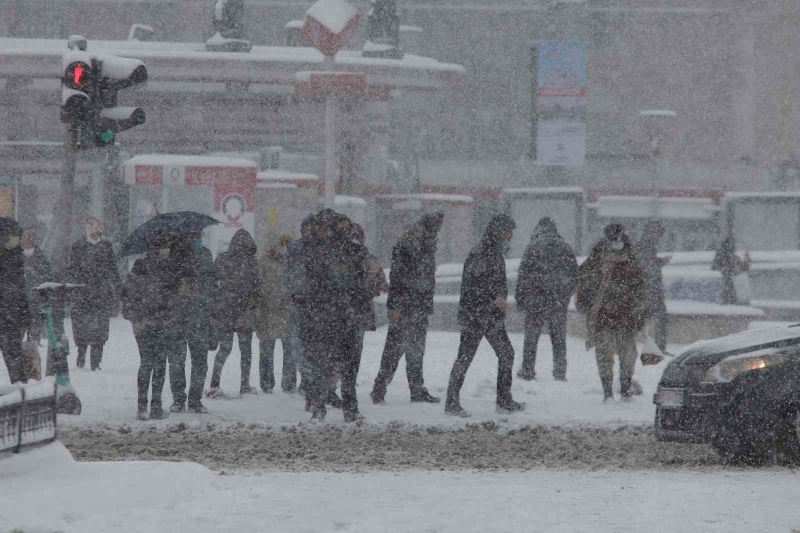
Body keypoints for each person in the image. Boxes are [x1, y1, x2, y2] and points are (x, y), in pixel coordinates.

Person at [445, 214, 524, 417]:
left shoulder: (492, 252)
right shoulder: (482, 253)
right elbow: (474, 287)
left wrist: (499, 298)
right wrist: (494, 298)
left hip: (488, 316)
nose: (511, 237)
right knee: (467, 357)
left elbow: (493, 282)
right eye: (508, 233)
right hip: (477, 316)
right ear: (499, 232)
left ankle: (502, 399)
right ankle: (453, 402)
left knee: (503, 353)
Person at [302, 210, 371, 422]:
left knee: (345, 367)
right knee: (328, 366)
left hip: (342, 316)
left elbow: (361, 285)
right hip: (331, 316)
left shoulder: (353, 252)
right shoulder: (321, 253)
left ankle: (342, 408)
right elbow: (313, 286)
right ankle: (322, 407)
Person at [371, 212, 442, 404]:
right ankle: (379, 388)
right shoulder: (408, 244)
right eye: (436, 227)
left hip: (418, 305)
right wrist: (394, 304)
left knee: (416, 350)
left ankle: (416, 389)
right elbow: (398, 276)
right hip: (406, 305)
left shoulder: (426, 241)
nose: (438, 232)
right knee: (395, 349)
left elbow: (425, 276)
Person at [576, 223, 647, 402]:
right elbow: (583, 283)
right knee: (606, 355)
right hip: (605, 317)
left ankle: (624, 390)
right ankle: (608, 392)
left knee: (627, 356)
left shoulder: (631, 260)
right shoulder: (596, 259)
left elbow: (640, 289)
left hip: (625, 317)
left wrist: (639, 313)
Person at [122, 233, 181, 420]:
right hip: (162, 322)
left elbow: (129, 296)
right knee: (159, 364)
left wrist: (134, 320)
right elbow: (174, 298)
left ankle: (142, 407)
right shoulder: (169, 268)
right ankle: (156, 405)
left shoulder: (139, 267)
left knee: (146, 363)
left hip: (144, 324)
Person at [515, 217, 577, 381]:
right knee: (558, 337)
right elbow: (574, 276)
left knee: (531, 337)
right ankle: (560, 370)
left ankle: (528, 369)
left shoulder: (532, 247)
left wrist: (521, 298)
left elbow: (523, 275)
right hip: (557, 301)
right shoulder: (565, 247)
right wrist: (564, 296)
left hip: (535, 300)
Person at [208, 229, 261, 398]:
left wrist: (219, 299)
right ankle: (244, 385)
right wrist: (253, 304)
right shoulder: (252, 263)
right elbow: (257, 288)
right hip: (243, 312)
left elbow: (211, 283)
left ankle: (214, 385)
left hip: (225, 312)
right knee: (245, 352)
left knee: (225, 349)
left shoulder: (222, 259)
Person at [168, 232, 217, 414]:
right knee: (176, 361)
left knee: (199, 361)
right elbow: (167, 283)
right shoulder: (174, 255)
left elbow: (212, 283)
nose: (195, 239)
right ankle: (178, 399)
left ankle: (195, 400)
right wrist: (179, 287)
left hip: (199, 315)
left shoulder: (205, 254)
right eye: (192, 236)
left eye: (197, 236)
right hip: (178, 316)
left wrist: (200, 290)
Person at [67, 217, 121, 371]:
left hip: (101, 293)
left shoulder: (106, 246)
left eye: (96, 227)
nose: (93, 230)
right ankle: (81, 354)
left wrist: (116, 289)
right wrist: (77, 285)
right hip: (83, 294)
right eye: (90, 227)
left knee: (101, 329)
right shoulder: (78, 246)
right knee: (82, 327)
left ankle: (96, 361)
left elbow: (113, 269)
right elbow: (72, 270)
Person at [254, 231, 297, 394]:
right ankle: (266, 383)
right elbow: (258, 285)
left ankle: (289, 383)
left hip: (288, 313)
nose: (284, 248)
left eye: (287, 244)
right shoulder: (265, 262)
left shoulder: (294, 262)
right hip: (268, 312)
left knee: (290, 351)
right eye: (282, 244)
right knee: (267, 350)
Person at [0, 218, 31, 384]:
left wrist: (26, 314)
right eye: (14, 236)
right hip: (7, 312)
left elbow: (20, 290)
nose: (17, 240)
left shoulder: (16, 256)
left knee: (14, 356)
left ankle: (20, 389)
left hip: (11, 315)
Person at [21, 225, 61, 345]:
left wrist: (34, 275)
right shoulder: (15, 256)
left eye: (30, 238)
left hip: (36, 299)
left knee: (35, 328)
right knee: (17, 333)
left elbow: (47, 276)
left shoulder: (41, 256)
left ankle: (34, 346)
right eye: (25, 238)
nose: (28, 240)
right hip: (19, 301)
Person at [638, 220, 670, 352]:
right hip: (650, 291)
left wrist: (660, 262)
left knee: (657, 318)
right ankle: (659, 348)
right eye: (658, 234)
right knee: (661, 318)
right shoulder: (646, 246)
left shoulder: (645, 245)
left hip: (649, 290)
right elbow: (647, 266)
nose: (659, 238)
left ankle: (658, 347)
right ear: (652, 233)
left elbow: (646, 264)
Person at [712, 233, 751, 305]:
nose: (733, 247)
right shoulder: (721, 256)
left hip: (734, 289)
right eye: (732, 245)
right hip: (725, 288)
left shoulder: (734, 257)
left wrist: (746, 261)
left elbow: (740, 271)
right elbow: (720, 270)